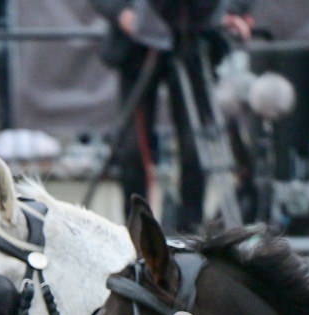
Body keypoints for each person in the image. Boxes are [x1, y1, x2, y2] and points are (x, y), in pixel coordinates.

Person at [91, 0, 253, 232]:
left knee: (196, 145)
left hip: (196, 38)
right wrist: (122, 12)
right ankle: (137, 229)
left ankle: (190, 227)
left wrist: (230, 11)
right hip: (138, 45)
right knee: (133, 147)